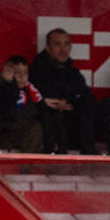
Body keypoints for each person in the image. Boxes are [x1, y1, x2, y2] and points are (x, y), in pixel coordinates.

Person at [31, 27, 97, 155]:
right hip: (49, 124)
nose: (63, 49)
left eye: (67, 44)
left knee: (94, 108)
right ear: (48, 48)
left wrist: (70, 101)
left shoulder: (72, 71)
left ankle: (91, 156)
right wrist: (66, 101)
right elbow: (47, 98)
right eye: (57, 44)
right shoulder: (38, 69)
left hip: (72, 123)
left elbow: (87, 96)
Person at [0, 55, 44, 152]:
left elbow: (31, 115)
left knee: (35, 126)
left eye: (25, 72)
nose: (22, 76)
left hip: (17, 133)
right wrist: (9, 85)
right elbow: (3, 112)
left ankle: (31, 166)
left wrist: (44, 104)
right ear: (7, 71)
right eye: (17, 72)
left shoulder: (30, 91)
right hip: (0, 133)